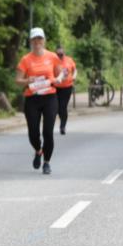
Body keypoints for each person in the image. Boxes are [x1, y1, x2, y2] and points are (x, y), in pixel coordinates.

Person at [16, 28, 63, 174]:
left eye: (40, 39)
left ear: (44, 41)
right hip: (32, 98)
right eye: (34, 40)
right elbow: (17, 80)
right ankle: (38, 150)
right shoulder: (26, 59)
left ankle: (47, 162)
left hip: (49, 97)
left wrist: (58, 79)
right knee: (33, 133)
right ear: (31, 42)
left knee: (48, 132)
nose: (37, 42)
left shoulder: (52, 56)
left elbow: (60, 73)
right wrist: (26, 80)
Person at [54, 45, 77, 134]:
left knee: (62, 107)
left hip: (67, 87)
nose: (60, 56)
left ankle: (62, 126)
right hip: (56, 87)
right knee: (56, 107)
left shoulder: (69, 60)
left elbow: (75, 70)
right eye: (58, 54)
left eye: (61, 54)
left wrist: (74, 76)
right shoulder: (53, 61)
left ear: (64, 53)